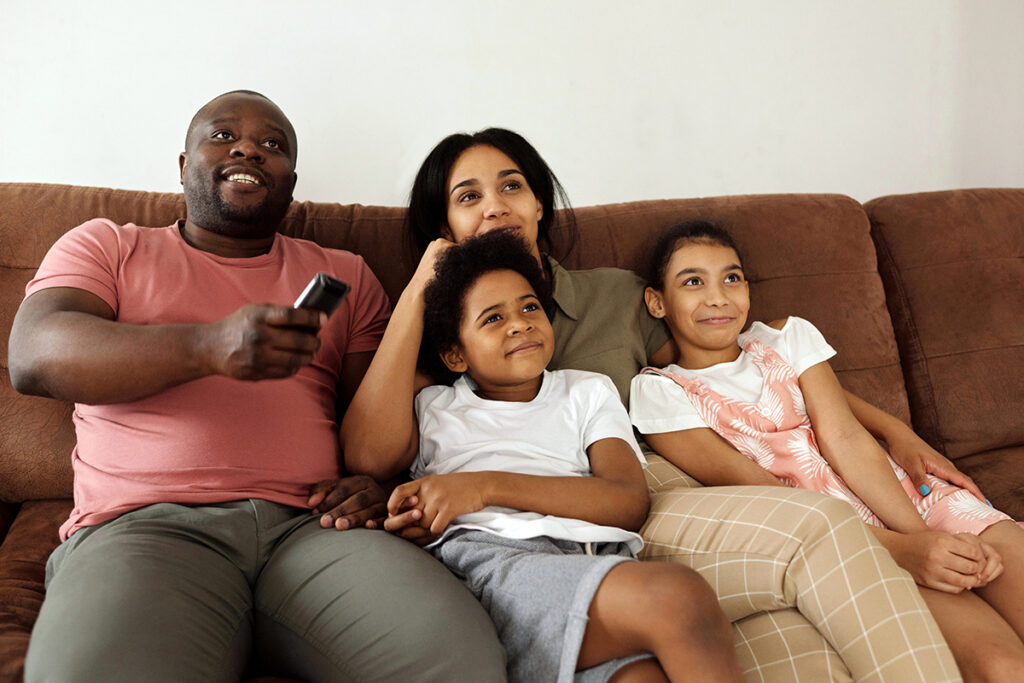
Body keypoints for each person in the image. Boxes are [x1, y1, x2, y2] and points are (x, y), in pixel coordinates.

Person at [340, 127, 961, 681]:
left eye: (512, 185)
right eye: (468, 196)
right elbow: (370, 454)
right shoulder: (442, 345)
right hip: (545, 534)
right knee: (791, 626)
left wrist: (889, 428)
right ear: (444, 226)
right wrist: (425, 282)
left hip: (654, 480)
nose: (496, 203)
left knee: (810, 587)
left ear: (538, 204)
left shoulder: (616, 295)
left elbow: (737, 355)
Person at [8, 90, 505, 683]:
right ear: (182, 166)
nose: (248, 147)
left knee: (457, 662)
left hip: (317, 529)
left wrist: (381, 484)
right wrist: (208, 346)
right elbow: (34, 354)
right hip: (145, 529)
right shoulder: (109, 246)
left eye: (273, 146)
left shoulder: (342, 274)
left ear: (290, 186)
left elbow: (376, 422)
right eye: (222, 136)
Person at [629, 219, 1024, 680]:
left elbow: (847, 439)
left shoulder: (786, 338)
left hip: (912, 502)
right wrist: (906, 551)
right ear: (657, 301)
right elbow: (768, 498)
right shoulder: (661, 393)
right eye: (693, 281)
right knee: (1002, 666)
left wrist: (924, 537)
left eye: (731, 278)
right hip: (851, 547)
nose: (718, 297)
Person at [387, 229, 744, 682]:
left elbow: (628, 502)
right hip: (495, 565)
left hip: (594, 556)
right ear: (456, 354)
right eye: (493, 319)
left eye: (530, 307)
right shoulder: (434, 405)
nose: (519, 323)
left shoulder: (587, 390)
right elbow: (369, 457)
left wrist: (484, 486)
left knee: (641, 678)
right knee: (677, 597)